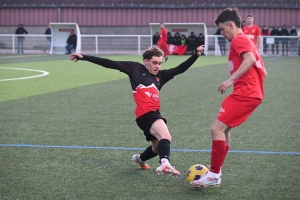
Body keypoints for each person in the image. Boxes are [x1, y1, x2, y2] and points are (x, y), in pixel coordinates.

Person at [69, 45, 205, 178]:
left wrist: (195, 56)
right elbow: (111, 63)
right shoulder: (135, 69)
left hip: (149, 115)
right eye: (154, 63)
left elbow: (179, 69)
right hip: (146, 114)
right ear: (146, 61)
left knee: (157, 148)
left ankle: (140, 159)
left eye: (160, 63)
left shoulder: (160, 76)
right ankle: (165, 164)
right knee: (166, 137)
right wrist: (84, 57)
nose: (157, 66)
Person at [191, 7, 268, 187]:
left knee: (216, 129)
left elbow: (249, 59)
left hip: (245, 93)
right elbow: (263, 70)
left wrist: (230, 80)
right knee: (223, 130)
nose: (223, 34)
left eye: (223, 30)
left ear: (231, 25)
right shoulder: (247, 40)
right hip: (250, 93)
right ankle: (216, 171)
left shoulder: (239, 40)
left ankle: (214, 174)